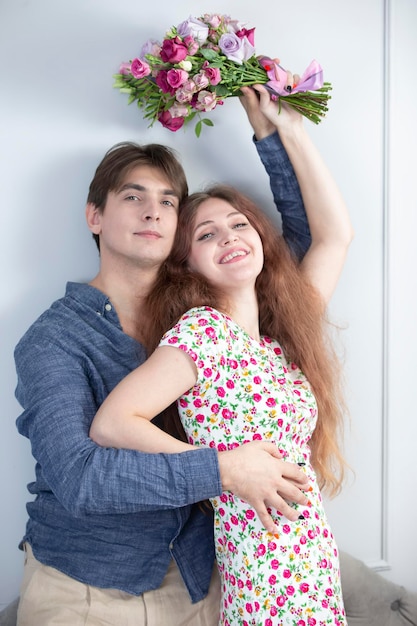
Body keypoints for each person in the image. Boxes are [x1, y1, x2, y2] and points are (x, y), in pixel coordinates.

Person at [14, 85, 313, 626]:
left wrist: (269, 128)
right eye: (133, 197)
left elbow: (291, 244)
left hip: (200, 580)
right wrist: (223, 471)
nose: (153, 211)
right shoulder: (53, 340)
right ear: (95, 217)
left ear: (179, 228)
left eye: (168, 202)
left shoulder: (209, 322)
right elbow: (82, 479)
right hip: (85, 587)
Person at [89, 85, 354, 625]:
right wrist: (221, 468)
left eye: (240, 225)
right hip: (262, 572)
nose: (230, 237)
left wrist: (289, 131)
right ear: (188, 264)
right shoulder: (203, 332)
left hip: (313, 563)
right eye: (207, 234)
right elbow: (112, 423)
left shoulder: (280, 343)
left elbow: (335, 236)